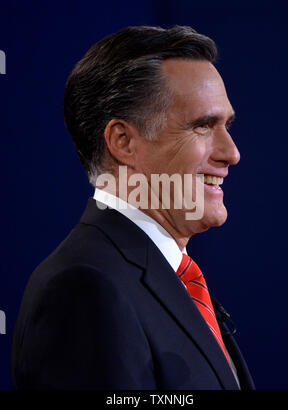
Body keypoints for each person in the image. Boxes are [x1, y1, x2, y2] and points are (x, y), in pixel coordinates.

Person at [12, 25, 254, 390]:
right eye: (203, 127)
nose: (231, 153)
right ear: (123, 142)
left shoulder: (167, 276)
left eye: (227, 125)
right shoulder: (83, 290)